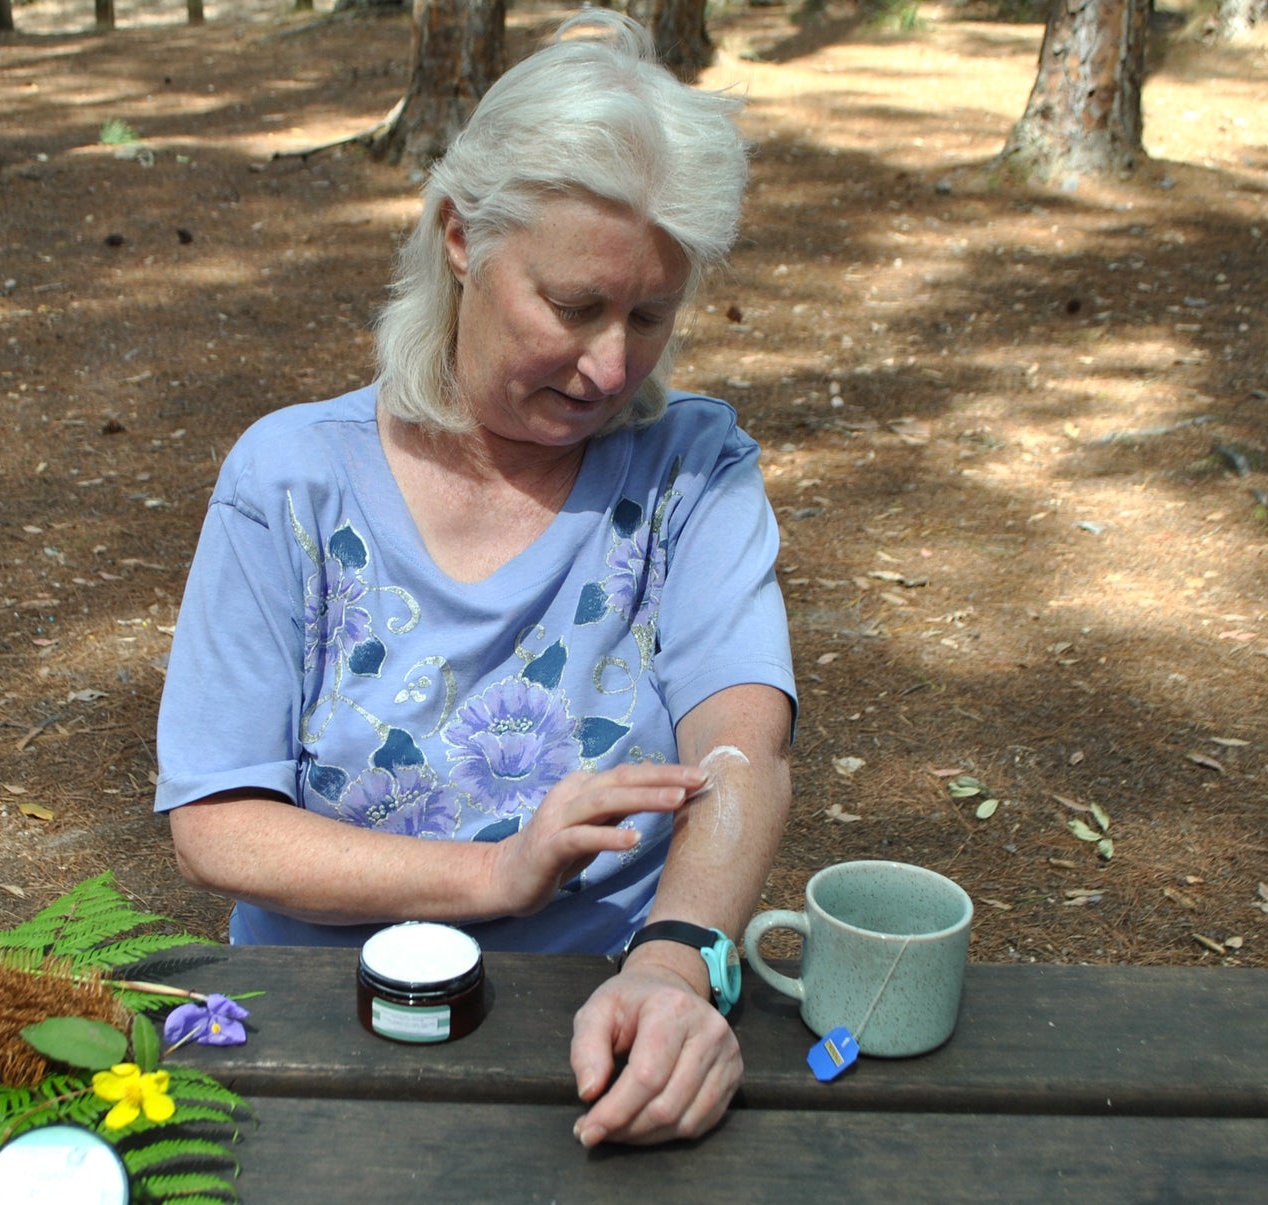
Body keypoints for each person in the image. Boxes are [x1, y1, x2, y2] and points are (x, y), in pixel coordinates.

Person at [155, 10, 794, 1147]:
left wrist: (671, 967)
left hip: (602, 1022)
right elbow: (218, 822)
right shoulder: (290, 481)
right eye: (574, 307)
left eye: (651, 315)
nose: (612, 366)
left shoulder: (693, 472)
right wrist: (496, 871)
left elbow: (741, 747)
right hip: (324, 1030)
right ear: (460, 236)